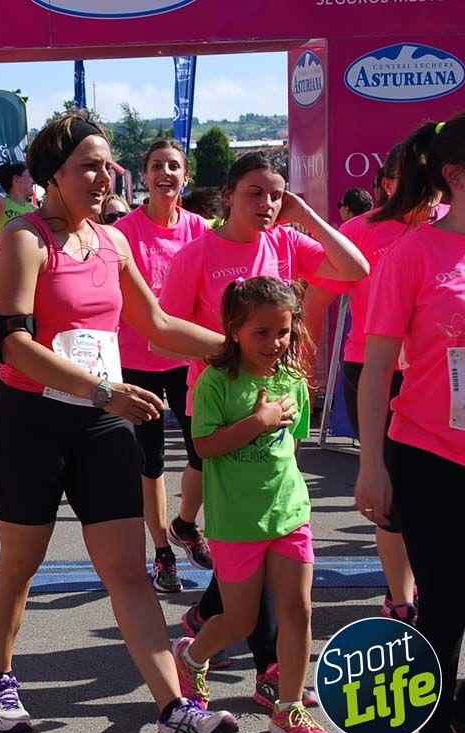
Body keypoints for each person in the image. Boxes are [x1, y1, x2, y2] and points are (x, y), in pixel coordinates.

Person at [0, 113, 239, 733]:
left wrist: (240, 351)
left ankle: (174, 709)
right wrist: (104, 391)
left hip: (99, 423)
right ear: (53, 175)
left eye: (106, 165)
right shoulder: (24, 239)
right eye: (88, 165)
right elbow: (13, 343)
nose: (103, 176)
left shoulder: (112, 242)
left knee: (127, 571)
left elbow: (155, 323)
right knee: (22, 561)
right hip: (28, 424)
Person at [161, 151, 367, 689]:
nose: (267, 204)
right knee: (242, 521)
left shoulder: (285, 241)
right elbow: (165, 327)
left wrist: (308, 216)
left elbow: (355, 268)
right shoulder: (197, 253)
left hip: (279, 397)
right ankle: (266, 664)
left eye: (276, 194)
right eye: (255, 193)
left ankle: (225, 630)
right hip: (215, 398)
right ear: (228, 195)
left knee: (268, 514)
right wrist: (229, 355)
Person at [354, 107, 465, 733]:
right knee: (446, 611)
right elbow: (377, 371)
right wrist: (372, 464)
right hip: (431, 457)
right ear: (455, 176)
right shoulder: (411, 255)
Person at [172, 276, 332, 733]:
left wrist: (289, 492)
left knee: (298, 612)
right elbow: (204, 447)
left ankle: (287, 711)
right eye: (261, 332)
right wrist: (256, 423)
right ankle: (193, 656)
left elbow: (291, 446)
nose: (274, 342)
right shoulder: (216, 383)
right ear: (235, 330)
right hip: (237, 523)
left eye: (282, 331)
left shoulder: (293, 380)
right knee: (239, 622)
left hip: (289, 514)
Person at [335, 123, 444, 624]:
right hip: (372, 369)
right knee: (392, 489)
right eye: (395, 177)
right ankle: (401, 600)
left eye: (415, 175)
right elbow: (317, 294)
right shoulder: (361, 230)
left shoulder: (453, 223)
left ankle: (430, 582)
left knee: (434, 486)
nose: (406, 186)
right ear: (383, 183)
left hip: (436, 372)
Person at [113, 139, 213, 594]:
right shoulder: (124, 231)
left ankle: (185, 524)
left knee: (204, 452)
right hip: (137, 361)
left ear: (185, 177)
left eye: (174, 166)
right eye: (156, 166)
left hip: (189, 360)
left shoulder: (202, 230)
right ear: (145, 175)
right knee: (149, 463)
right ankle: (163, 552)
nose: (165, 173)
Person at [0, 162, 36, 233]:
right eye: (29, 176)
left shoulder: (35, 210)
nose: (34, 182)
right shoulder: (0, 203)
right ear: (17, 179)